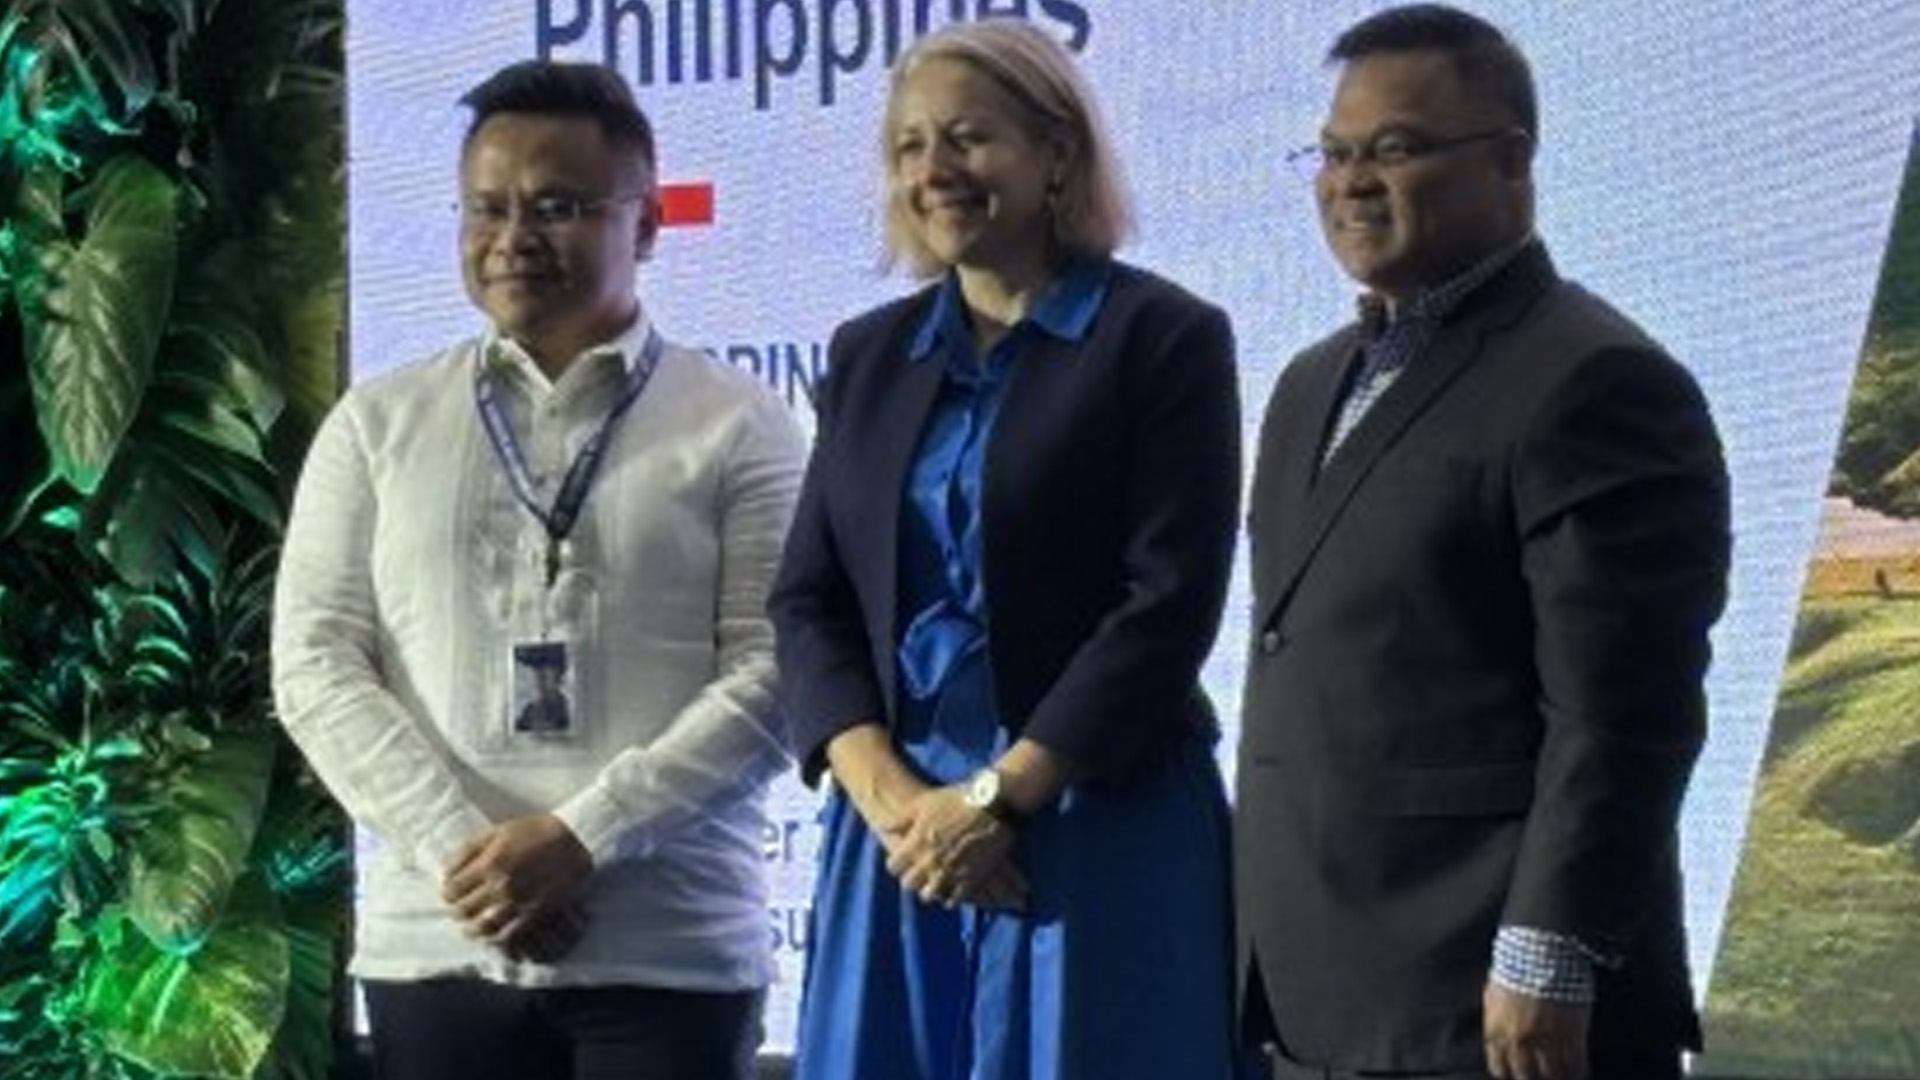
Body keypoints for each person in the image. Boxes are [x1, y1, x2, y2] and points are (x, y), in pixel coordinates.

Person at [271, 60, 804, 1080]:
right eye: (488, 207)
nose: (514, 237)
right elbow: (314, 663)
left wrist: (584, 837)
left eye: (557, 207)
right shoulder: (378, 422)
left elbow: (778, 673)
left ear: (647, 225)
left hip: (669, 948)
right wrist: (464, 853)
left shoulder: (741, 422)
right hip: (438, 943)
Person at [1235, 7, 1731, 1080]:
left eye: (1394, 148)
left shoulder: (1597, 379)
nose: (1351, 182)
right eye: (1332, 153)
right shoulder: (1309, 383)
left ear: (1511, 161)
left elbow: (1624, 709)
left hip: (1496, 1005)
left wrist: (1552, 943)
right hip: (1323, 994)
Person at [768, 19, 1248, 1080]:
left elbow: (1168, 601)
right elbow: (809, 602)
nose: (934, 170)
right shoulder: (867, 354)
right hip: (898, 843)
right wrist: (902, 809)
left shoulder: (1164, 337)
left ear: (1057, 153)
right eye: (910, 146)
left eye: (969, 138)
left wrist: (995, 801)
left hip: (1094, 820)